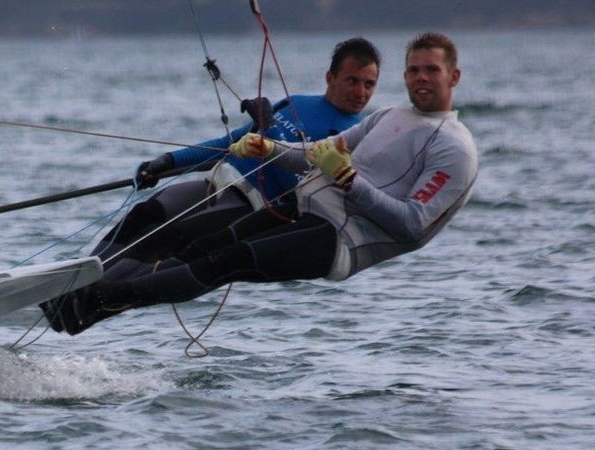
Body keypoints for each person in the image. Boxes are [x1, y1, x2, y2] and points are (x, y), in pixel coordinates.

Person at [44, 32, 478, 335]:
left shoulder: (454, 147)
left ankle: (95, 299)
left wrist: (347, 179)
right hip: (295, 207)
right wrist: (263, 145)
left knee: (219, 258)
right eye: (414, 70)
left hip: (338, 238)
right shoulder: (388, 117)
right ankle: (81, 292)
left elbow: (412, 225)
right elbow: (308, 155)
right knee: (173, 232)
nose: (421, 78)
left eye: (431, 70)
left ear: (453, 77)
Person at [90, 37, 380, 280]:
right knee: (146, 213)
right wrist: (167, 162)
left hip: (251, 205)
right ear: (330, 78)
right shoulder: (297, 102)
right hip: (217, 183)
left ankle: (95, 291)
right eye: (352, 81)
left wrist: (270, 129)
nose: (361, 92)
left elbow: (302, 186)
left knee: (169, 237)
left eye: (369, 84)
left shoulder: (352, 136)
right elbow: (228, 143)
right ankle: (82, 274)